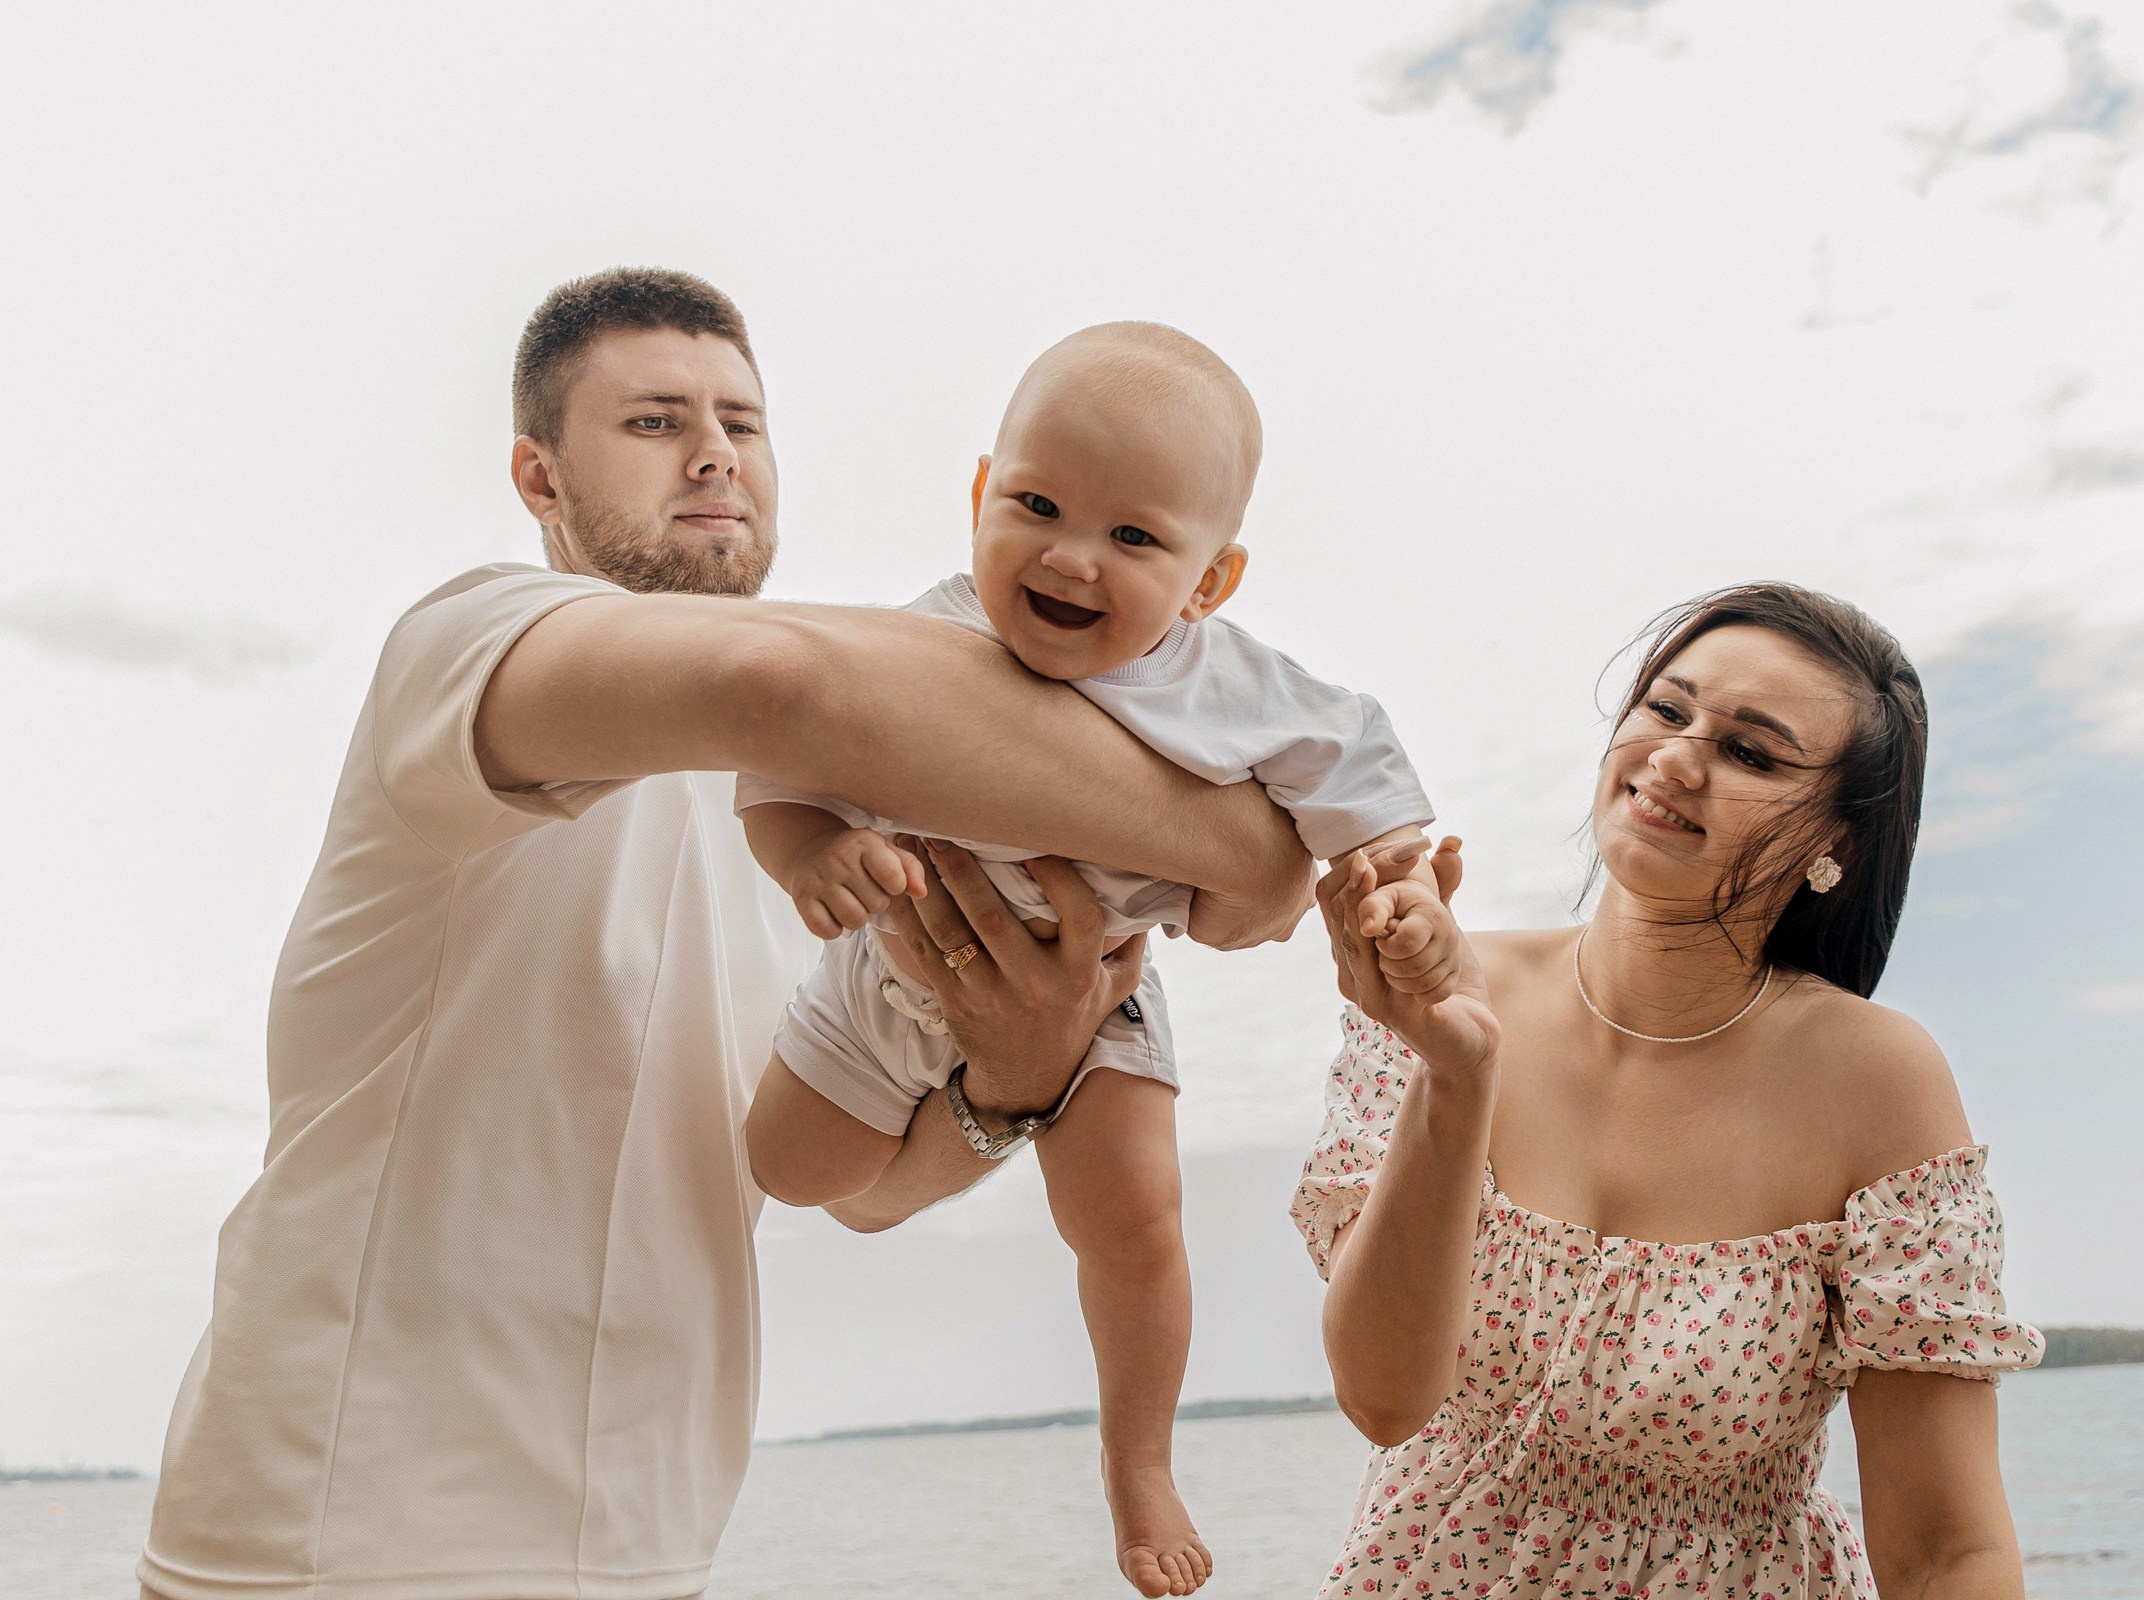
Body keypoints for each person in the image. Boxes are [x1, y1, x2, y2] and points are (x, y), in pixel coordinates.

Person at [137, 269, 1312, 1600]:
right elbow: (776, 679)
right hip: (341, 1541)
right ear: (539, 476)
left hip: (649, 1545)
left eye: (743, 424)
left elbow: (861, 1185)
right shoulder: (471, 644)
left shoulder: (821, 819)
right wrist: (1247, 852)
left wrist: (1016, 1082)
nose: (714, 451)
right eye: (653, 421)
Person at [739, 322, 1437, 1598]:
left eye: (1134, 537)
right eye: (1039, 506)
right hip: (893, 958)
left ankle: (1137, 1457)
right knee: (786, 1168)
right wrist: (802, 856)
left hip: (1104, 981)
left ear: (1210, 581)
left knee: (1133, 1222)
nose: (1070, 556)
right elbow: (782, 758)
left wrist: (1391, 874)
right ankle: (975, 1113)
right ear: (978, 498)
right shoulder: (923, 639)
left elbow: (1356, 762)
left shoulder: (1231, 685)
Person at [1295, 583, 2045, 1598]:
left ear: (1837, 841)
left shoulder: (1878, 1083)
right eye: (1667, 708)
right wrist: (1457, 1075)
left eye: (1752, 752)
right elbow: (1382, 1399)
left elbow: (1945, 1550)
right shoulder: (1440, 997)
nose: (1678, 757)